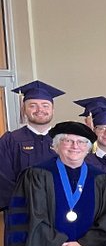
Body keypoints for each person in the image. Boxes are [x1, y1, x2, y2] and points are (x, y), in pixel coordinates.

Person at [0, 80, 64, 210]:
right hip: (22, 211)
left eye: (45, 105)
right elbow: (3, 179)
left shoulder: (65, 140)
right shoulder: (10, 140)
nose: (40, 110)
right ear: (24, 109)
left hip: (60, 209)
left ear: (53, 109)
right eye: (32, 105)